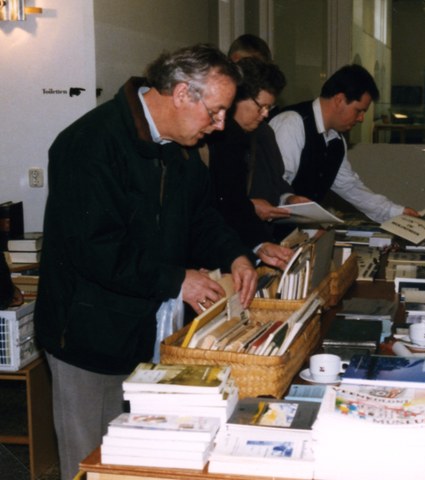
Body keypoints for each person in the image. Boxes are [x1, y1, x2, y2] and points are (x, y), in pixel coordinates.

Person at [34, 44, 258, 480]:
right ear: (180, 94)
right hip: (86, 331)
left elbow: (200, 219)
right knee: (90, 463)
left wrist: (236, 255)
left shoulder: (180, 146)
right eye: (215, 112)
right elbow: (94, 248)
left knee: (138, 456)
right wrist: (178, 280)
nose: (221, 124)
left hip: (144, 324)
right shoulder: (90, 142)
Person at [268, 64, 418, 223]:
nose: (361, 119)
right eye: (358, 110)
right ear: (339, 99)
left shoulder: (337, 141)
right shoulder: (292, 124)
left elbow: (350, 187)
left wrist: (395, 212)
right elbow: (272, 187)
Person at [205, 56, 306, 267]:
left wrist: (287, 198)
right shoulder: (213, 136)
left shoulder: (263, 133)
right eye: (261, 107)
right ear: (237, 97)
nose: (265, 114)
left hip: (249, 242)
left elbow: (276, 179)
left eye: (269, 107)